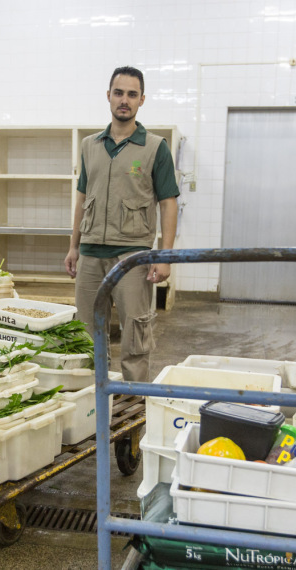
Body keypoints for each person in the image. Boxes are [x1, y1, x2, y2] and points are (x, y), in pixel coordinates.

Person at [64, 66, 179, 383]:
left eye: (131, 94)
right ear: (108, 96)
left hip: (132, 256)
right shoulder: (90, 145)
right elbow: (81, 198)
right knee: (85, 335)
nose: (124, 100)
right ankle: (89, 403)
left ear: (142, 100)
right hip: (90, 255)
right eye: (119, 93)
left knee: (135, 334)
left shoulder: (155, 148)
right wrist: (74, 246)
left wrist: (165, 256)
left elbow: (169, 203)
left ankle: (132, 403)